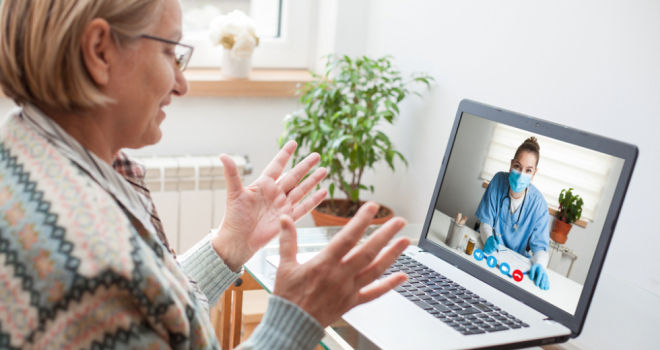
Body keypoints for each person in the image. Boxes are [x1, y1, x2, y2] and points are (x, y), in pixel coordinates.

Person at [0, 1, 410, 349]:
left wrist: (230, 245)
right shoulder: (85, 263)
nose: (181, 84)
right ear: (99, 51)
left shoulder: (29, 146)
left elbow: (150, 313)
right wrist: (296, 320)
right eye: (170, 53)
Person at [474, 137, 550, 290]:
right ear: (511, 165)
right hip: (489, 253)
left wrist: (541, 265)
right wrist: (488, 237)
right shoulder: (498, 181)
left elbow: (540, 248)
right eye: (517, 166)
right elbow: (486, 222)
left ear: (534, 173)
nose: (521, 174)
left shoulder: (539, 205)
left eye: (528, 170)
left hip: (513, 264)